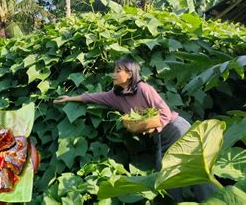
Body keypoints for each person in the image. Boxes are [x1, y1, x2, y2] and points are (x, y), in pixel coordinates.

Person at [53, 58, 216, 202]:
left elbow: (165, 113)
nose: (113, 75)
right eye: (114, 71)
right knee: (166, 175)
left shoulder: (144, 88)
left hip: (176, 129)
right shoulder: (116, 96)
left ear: (130, 74)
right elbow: (93, 97)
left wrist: (147, 125)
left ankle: (214, 200)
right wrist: (70, 98)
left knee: (196, 171)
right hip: (160, 137)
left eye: (118, 71)